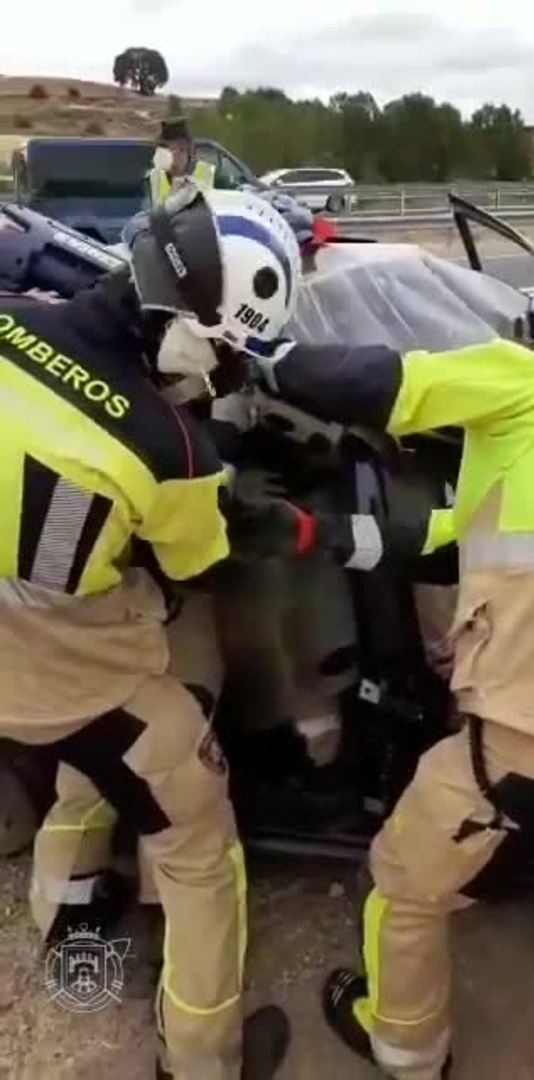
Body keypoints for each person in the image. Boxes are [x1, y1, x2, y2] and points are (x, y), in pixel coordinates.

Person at [234, 261, 534, 1079]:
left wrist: (258, 354)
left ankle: (405, 1048)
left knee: (402, 880)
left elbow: (378, 380)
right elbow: (449, 542)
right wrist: (314, 535)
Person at [0, 183, 301, 1080]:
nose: (224, 376)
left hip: (23, 673)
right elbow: (197, 570)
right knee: (198, 844)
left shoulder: (11, 319)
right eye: (229, 355)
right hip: (69, 683)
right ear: (194, 331)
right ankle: (202, 1059)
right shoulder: (174, 449)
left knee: (82, 765)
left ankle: (68, 916)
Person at [147, 117, 216, 207]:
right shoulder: (156, 175)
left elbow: (203, 206)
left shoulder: (205, 170)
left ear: (186, 149)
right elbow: (157, 209)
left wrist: (184, 183)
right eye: (167, 149)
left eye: (180, 150)